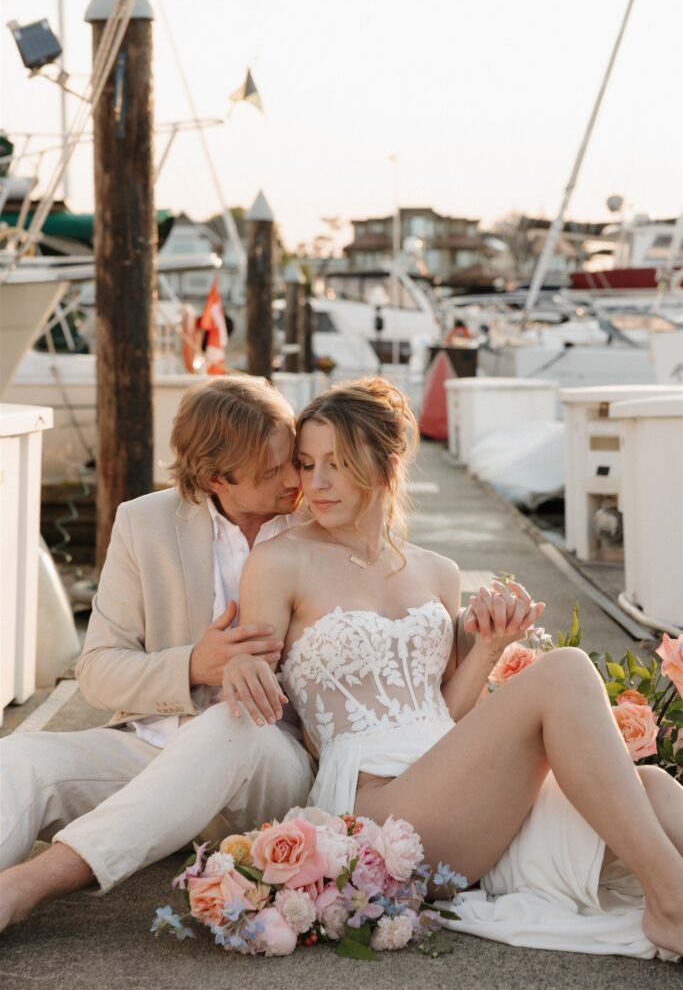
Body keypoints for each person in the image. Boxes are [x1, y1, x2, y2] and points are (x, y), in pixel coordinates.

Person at [225, 376, 683, 960]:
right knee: (565, 670)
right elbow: (249, 667)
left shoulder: (437, 571)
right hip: (380, 808)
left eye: (337, 464)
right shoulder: (279, 560)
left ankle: (674, 896)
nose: (316, 483)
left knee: (657, 790)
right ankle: (671, 901)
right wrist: (239, 663)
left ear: (387, 466)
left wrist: (492, 645)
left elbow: (445, 712)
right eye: (307, 463)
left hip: (460, 789)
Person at [0, 376, 315, 929]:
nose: (295, 480)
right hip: (150, 756)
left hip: (268, 765)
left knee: (231, 723)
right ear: (218, 478)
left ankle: (26, 887)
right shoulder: (143, 523)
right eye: (272, 472)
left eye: (294, 460)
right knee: (19, 760)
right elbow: (96, 670)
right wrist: (194, 665)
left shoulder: (320, 522)